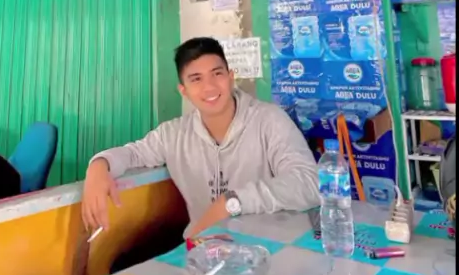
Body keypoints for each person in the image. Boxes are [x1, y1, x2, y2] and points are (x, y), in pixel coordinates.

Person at [82, 37, 320, 239]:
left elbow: (310, 182)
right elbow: (133, 153)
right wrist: (99, 166)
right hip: (202, 252)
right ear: (183, 90)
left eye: (217, 74)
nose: (209, 87)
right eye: (196, 79)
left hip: (267, 250)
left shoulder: (269, 120)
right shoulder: (173, 134)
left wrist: (232, 202)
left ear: (230, 77)